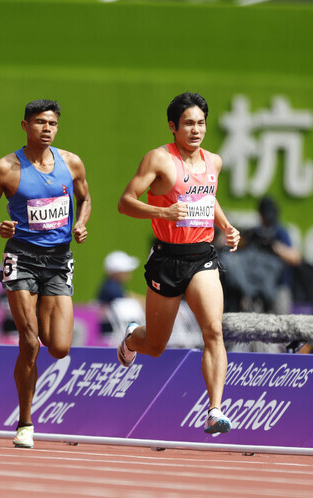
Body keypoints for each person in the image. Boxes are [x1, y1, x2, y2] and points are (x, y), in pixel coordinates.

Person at [116, 92, 240, 435]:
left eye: (201, 123)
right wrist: (163, 212)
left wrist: (226, 227)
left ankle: (215, 410)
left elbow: (208, 198)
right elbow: (125, 203)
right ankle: (131, 339)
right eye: (188, 123)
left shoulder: (213, 161)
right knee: (155, 346)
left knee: (213, 330)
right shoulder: (158, 160)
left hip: (201, 258)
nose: (196, 129)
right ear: (173, 127)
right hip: (167, 259)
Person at [0, 99, 91, 448]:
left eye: (52, 123)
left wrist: (81, 224)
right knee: (29, 342)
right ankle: (25, 423)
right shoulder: (6, 168)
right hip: (21, 258)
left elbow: (85, 199)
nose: (46, 129)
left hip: (58, 259)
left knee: (59, 347)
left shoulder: (71, 163)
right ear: (25, 126)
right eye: (39, 122)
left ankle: (43, 316)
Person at [97, 251, 145, 346]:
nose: (128, 273)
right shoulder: (111, 288)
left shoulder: (112, 286)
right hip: (113, 335)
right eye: (125, 270)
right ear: (116, 272)